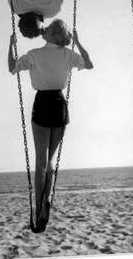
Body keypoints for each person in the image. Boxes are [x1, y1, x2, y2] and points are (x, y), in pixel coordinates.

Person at [8, 19, 94, 232]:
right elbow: (89, 64)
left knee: (41, 161)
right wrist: (79, 43)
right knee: (51, 160)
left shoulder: (34, 54)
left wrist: (10, 44)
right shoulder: (68, 55)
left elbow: (11, 68)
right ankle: (49, 197)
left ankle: (39, 209)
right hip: (59, 104)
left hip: (43, 104)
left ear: (51, 35)